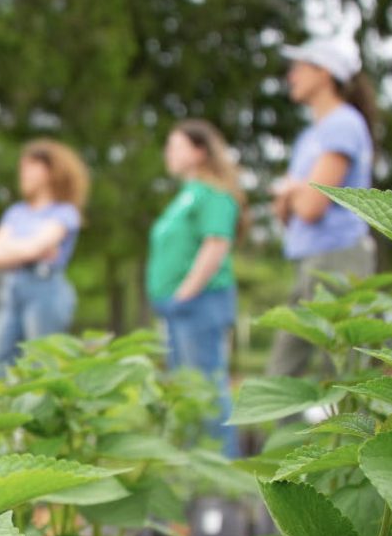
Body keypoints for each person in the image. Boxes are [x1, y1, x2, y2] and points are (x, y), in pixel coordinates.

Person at [268, 38, 378, 377]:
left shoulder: (342, 124)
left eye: (299, 67)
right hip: (311, 259)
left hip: (339, 258)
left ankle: (349, 433)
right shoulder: (310, 136)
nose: (291, 76)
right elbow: (284, 211)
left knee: (345, 372)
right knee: (282, 373)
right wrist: (294, 194)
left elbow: (311, 207)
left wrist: (292, 191)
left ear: (325, 72)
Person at [147, 120, 246, 457]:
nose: (168, 153)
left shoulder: (214, 194)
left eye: (176, 145)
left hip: (200, 304)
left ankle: (222, 479)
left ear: (200, 151)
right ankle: (195, 475)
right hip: (178, 308)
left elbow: (216, 244)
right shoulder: (185, 196)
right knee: (186, 392)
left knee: (205, 388)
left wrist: (185, 293)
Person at [0, 139, 90, 376]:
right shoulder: (16, 212)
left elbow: (30, 247)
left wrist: (14, 248)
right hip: (13, 290)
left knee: (42, 363)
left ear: (50, 171)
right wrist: (32, 248)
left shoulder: (65, 212)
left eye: (31, 167)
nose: (24, 173)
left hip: (46, 290)